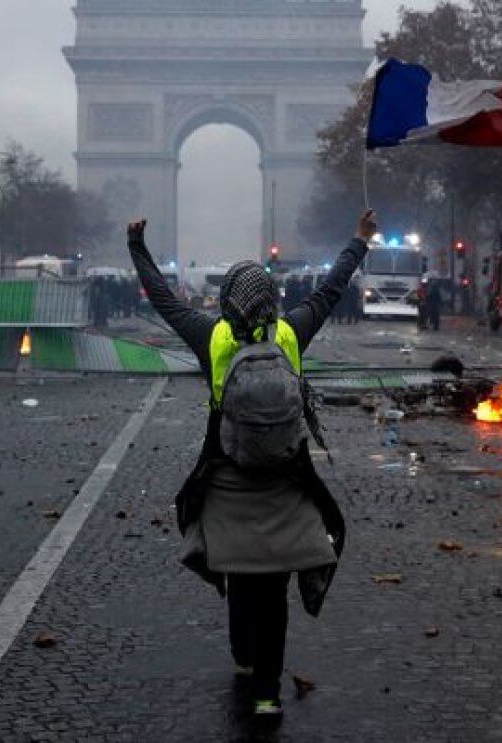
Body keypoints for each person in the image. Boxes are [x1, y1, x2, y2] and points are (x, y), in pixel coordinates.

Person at [127, 210, 376, 718]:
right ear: (272, 298)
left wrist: (137, 247)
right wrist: (359, 241)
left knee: (241, 576)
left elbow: (165, 300)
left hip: (226, 479)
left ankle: (244, 657)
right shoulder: (290, 334)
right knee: (274, 588)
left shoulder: (211, 337)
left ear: (227, 301)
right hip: (287, 479)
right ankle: (267, 693)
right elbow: (330, 290)